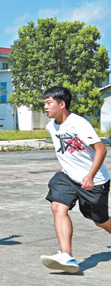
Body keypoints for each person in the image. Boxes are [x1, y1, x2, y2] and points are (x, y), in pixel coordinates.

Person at [40, 86, 111, 273]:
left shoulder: (79, 124)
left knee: (99, 220)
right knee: (57, 206)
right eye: (44, 103)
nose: (45, 107)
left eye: (49, 103)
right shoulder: (51, 126)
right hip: (69, 177)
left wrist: (90, 175)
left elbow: (101, 149)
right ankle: (66, 256)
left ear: (62, 104)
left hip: (94, 182)